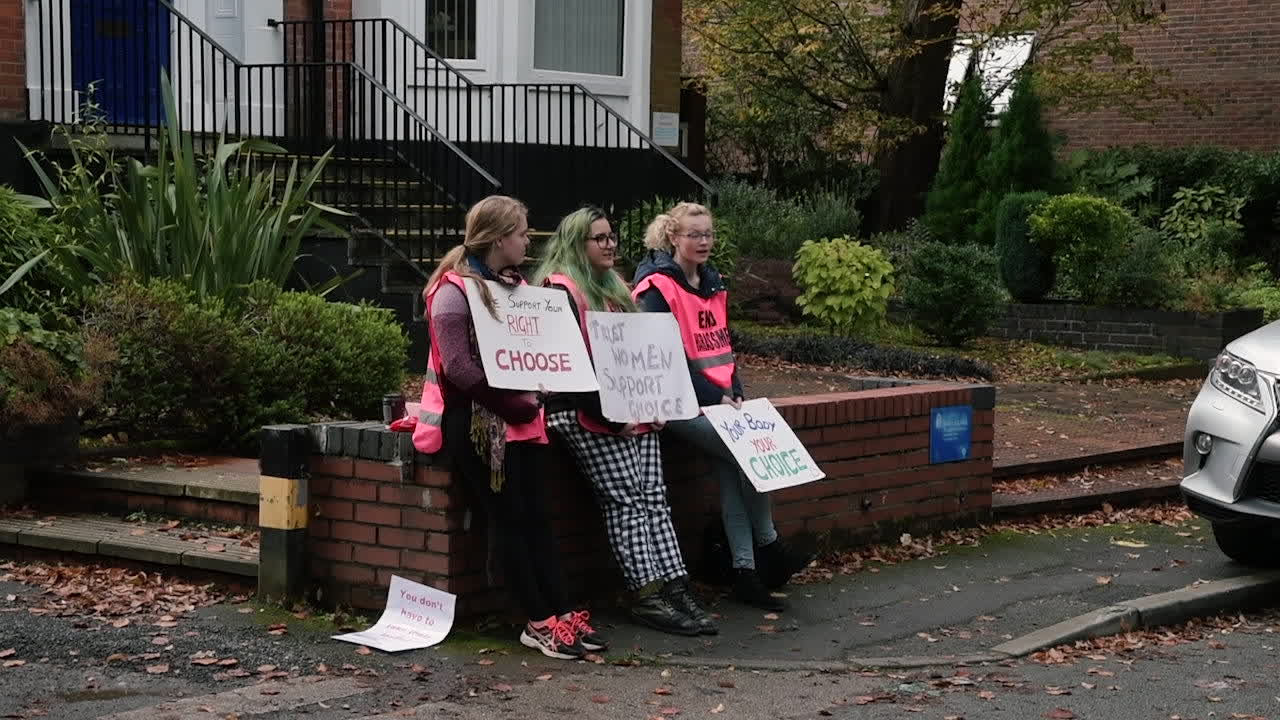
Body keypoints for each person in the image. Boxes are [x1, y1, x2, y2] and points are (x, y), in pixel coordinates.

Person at [412, 195, 606, 660]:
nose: (528, 239)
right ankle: (537, 622)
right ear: (499, 238)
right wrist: (512, 405)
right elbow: (458, 367)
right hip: (481, 425)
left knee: (539, 519)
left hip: (522, 421)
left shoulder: (517, 286)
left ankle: (559, 613)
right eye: (521, 232)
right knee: (511, 522)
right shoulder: (453, 291)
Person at [531, 207, 717, 637]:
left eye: (612, 236)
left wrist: (651, 401)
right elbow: (569, 369)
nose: (610, 244)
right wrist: (611, 418)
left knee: (654, 497)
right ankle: (647, 594)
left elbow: (640, 353)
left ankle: (675, 585)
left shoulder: (614, 286)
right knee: (628, 502)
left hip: (634, 411)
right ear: (577, 244)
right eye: (600, 238)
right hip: (584, 414)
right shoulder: (560, 290)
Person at [632, 201, 813, 611]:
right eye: (694, 234)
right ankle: (768, 550)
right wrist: (717, 397)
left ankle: (746, 572)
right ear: (673, 237)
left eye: (708, 234)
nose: (703, 241)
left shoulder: (713, 282)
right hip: (678, 405)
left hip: (720, 402)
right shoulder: (657, 288)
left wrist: (736, 390)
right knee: (743, 454)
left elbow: (721, 348)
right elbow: (666, 358)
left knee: (735, 464)